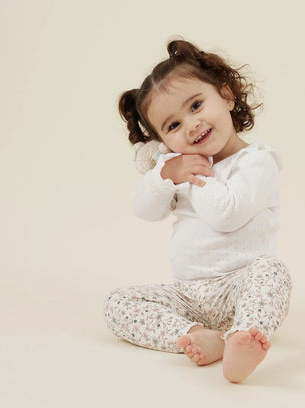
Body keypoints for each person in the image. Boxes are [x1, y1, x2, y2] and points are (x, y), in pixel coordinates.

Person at [104, 38, 293, 383]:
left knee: (273, 272)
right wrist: (163, 173)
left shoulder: (257, 161)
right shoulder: (178, 169)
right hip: (188, 295)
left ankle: (245, 336)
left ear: (226, 96)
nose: (191, 125)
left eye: (195, 105)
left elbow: (226, 215)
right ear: (163, 140)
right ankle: (201, 336)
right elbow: (144, 209)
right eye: (173, 126)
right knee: (117, 303)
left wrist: (191, 170)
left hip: (241, 288)